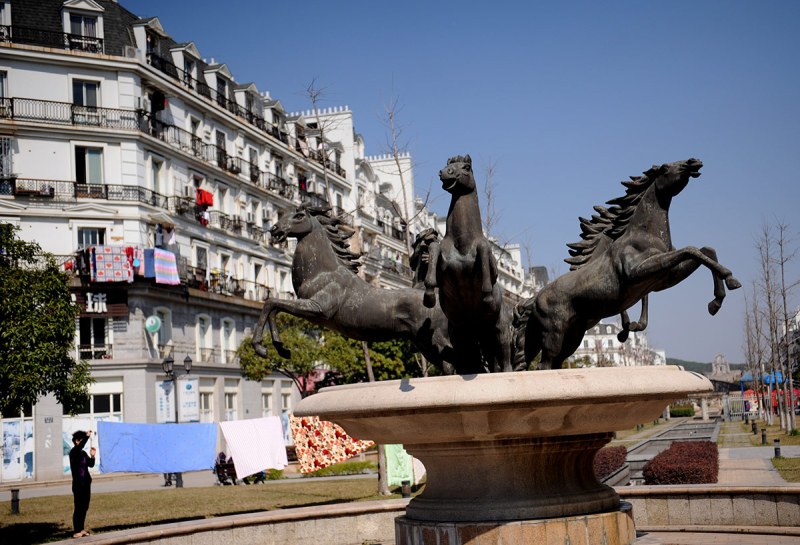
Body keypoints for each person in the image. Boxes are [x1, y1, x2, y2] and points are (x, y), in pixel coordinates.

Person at [69, 430, 96, 538]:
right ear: (76, 441)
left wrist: (92, 456)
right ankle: (76, 531)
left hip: (86, 484)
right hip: (78, 485)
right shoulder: (73, 452)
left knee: (85, 507)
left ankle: (81, 529)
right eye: (80, 440)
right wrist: (87, 436)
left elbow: (91, 465)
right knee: (78, 507)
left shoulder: (83, 453)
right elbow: (82, 444)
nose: (82, 442)